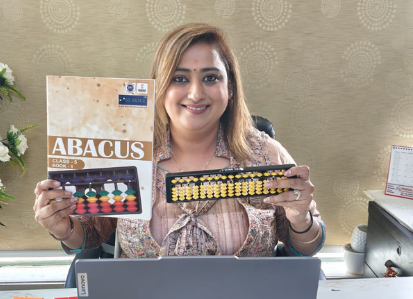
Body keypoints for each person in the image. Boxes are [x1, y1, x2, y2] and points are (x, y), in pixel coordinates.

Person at [34, 23, 325, 258]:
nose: (196, 94)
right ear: (160, 87)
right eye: (180, 79)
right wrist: (62, 227)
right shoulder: (128, 152)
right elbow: (90, 236)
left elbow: (305, 248)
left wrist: (301, 220)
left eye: (210, 78)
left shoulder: (266, 154)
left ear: (230, 88)